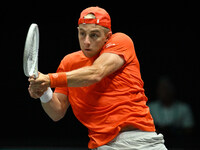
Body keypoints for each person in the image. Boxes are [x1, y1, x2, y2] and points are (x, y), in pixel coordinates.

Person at [28, 7, 167, 150]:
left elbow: (96, 73)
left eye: (94, 35)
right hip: (101, 145)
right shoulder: (68, 63)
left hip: (138, 141)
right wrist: (44, 91)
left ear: (108, 37)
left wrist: (49, 79)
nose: (86, 41)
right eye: (82, 34)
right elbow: (57, 112)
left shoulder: (121, 42)